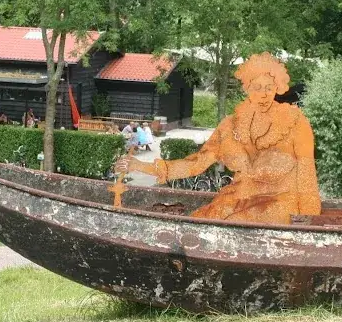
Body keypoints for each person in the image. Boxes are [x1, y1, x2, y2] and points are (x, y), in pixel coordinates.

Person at [116, 52, 321, 224]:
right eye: (257, 87)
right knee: (203, 220)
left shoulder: (295, 122)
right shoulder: (230, 125)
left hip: (281, 202)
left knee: (236, 223)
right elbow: (196, 163)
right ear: (247, 88)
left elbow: (306, 172)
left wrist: (309, 221)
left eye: (269, 87)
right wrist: (142, 167)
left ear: (278, 88)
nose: (264, 94)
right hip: (239, 197)